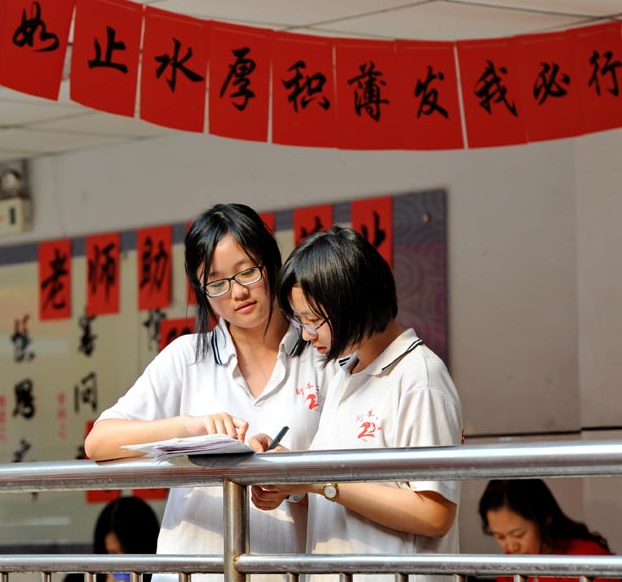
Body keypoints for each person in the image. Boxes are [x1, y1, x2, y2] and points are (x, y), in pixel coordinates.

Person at [85, 203, 337, 582]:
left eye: (247, 272)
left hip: (286, 567)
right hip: (192, 570)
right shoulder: (187, 357)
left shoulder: (319, 354)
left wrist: (292, 475)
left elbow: (344, 474)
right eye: (217, 283)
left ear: (271, 263)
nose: (237, 293)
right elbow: (99, 443)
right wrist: (189, 428)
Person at [250, 226, 464, 582]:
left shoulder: (420, 377)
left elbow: (434, 515)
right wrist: (291, 477)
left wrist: (317, 481)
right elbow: (340, 485)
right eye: (299, 321)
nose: (306, 334)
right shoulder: (345, 372)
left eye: (315, 320)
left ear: (354, 303)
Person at [478, 479, 617, 582]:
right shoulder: (508, 565)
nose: (511, 546)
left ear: (545, 518)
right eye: (500, 537)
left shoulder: (588, 558)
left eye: (518, 535)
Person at [64, 496, 160, 582]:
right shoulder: (82, 577)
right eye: (113, 553)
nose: (121, 563)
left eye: (127, 553)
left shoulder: (163, 577)